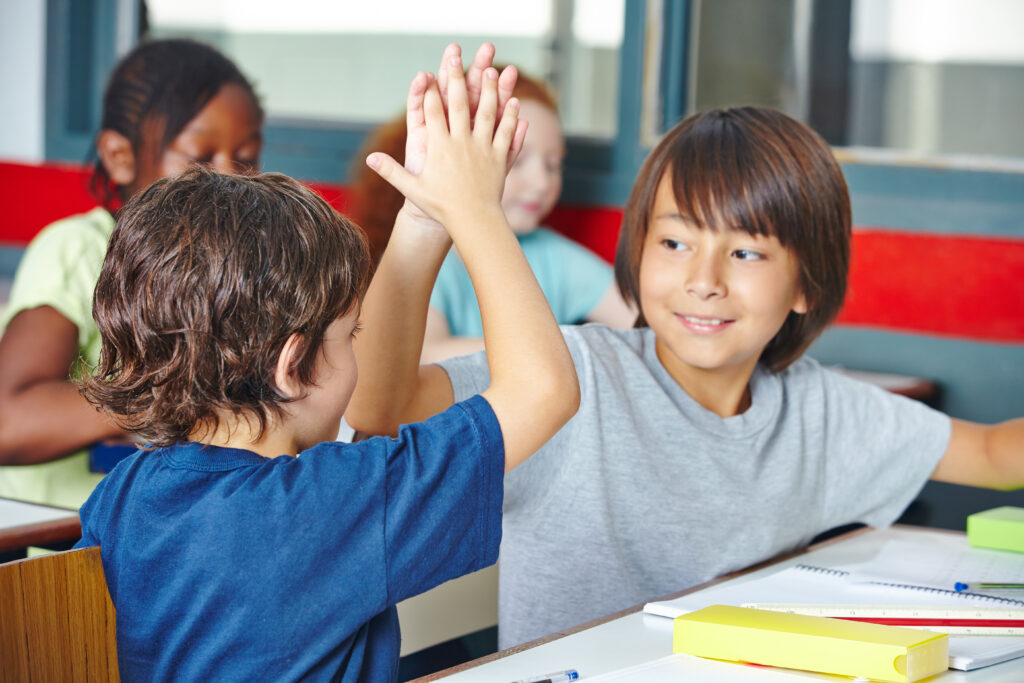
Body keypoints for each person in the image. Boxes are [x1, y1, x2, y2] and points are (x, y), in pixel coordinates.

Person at [347, 105, 1024, 649]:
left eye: (747, 250)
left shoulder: (817, 409)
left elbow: (995, 455)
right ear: (637, 252)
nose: (704, 281)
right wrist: (424, 222)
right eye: (674, 242)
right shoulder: (573, 376)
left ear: (805, 285)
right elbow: (383, 410)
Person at [74, 47, 579, 681]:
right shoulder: (336, 501)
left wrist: (424, 217)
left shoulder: (123, 496)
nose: (359, 354)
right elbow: (544, 389)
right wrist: (477, 209)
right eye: (350, 334)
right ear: (293, 366)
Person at [0, 38, 264, 508]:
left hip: (162, 546)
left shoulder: (241, 272)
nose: (230, 179)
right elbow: (8, 419)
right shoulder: (80, 250)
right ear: (120, 156)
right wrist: (175, 396)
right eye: (200, 157)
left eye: (246, 156)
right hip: (61, 553)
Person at [346, 68, 634, 363]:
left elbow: (640, 322)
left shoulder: (554, 256)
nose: (542, 182)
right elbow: (422, 354)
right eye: (518, 160)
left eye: (553, 164)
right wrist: (550, 351)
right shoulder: (427, 254)